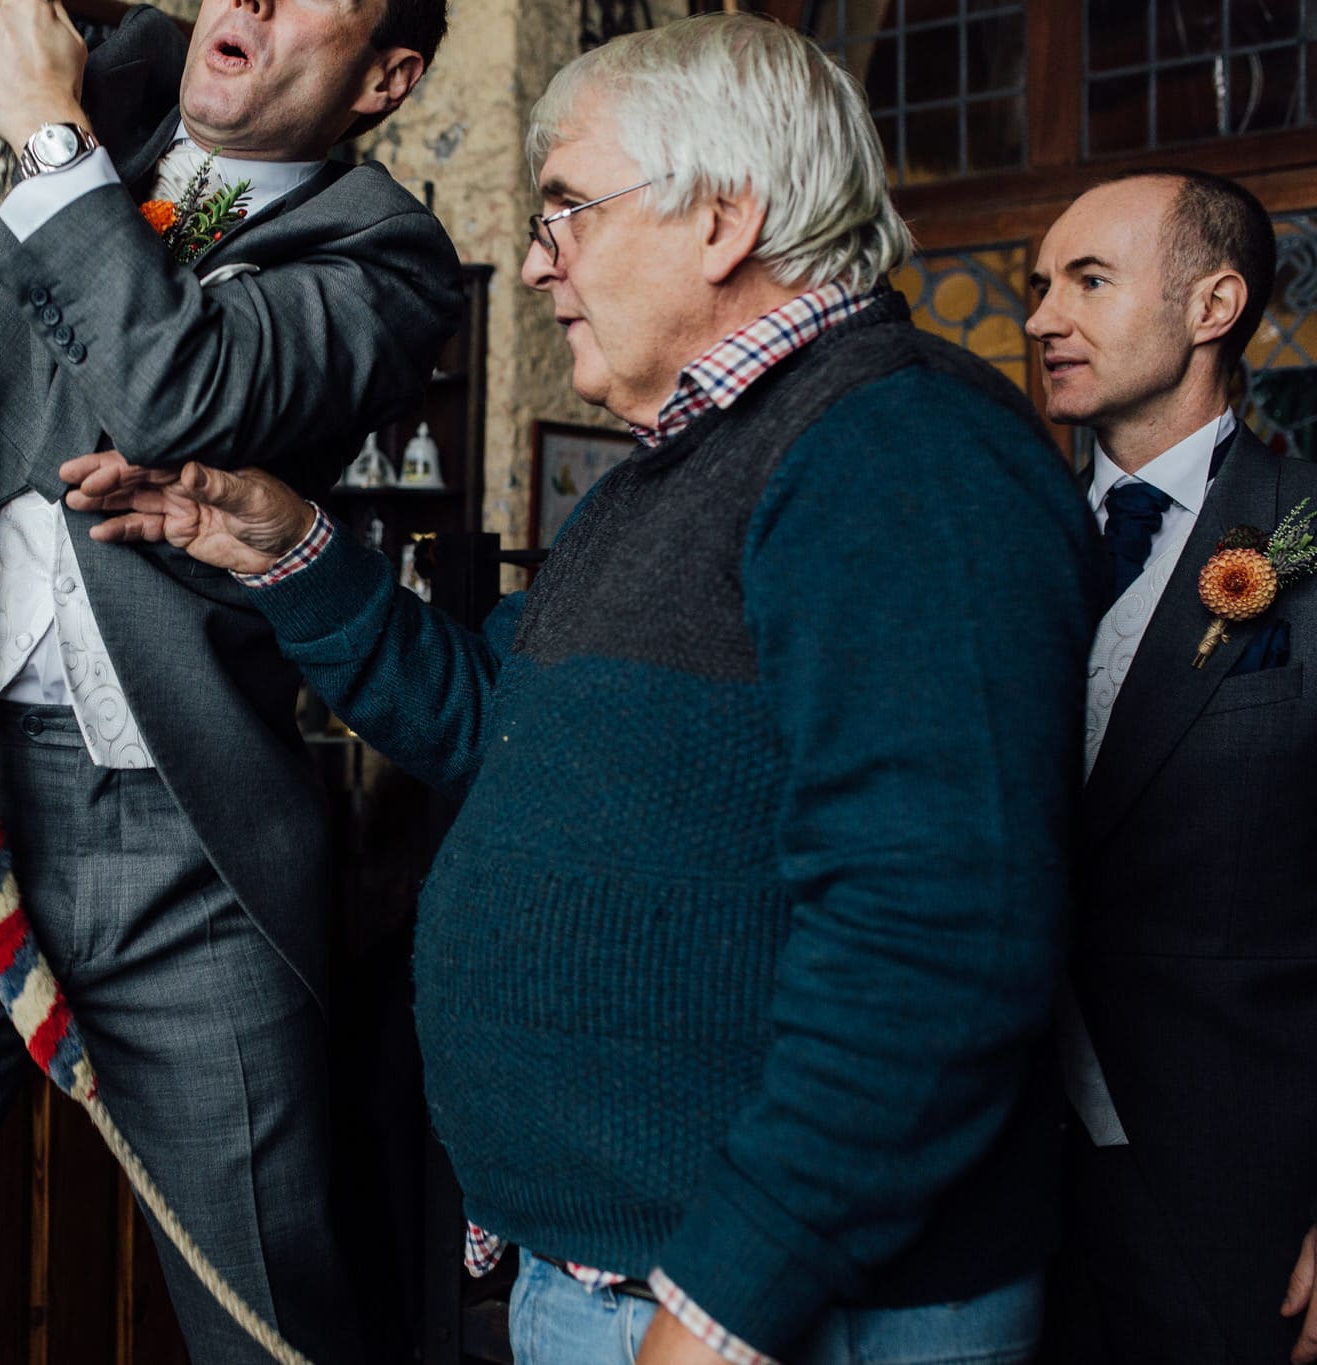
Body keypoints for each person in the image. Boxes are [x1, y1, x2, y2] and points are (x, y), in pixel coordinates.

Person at [70, 15, 1095, 1364]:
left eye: (567, 208)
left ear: (722, 218)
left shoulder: (903, 454)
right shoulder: (664, 480)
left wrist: (728, 1299)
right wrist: (290, 553)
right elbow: (490, 729)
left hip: (778, 1311)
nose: (541, 261)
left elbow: (940, 939)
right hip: (622, 1285)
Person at [0, 0, 463, 1360]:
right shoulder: (124, 78)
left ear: (385, 80)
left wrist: (53, 143)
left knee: (269, 1316)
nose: (250, 3)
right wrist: (56, 104)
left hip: (187, 844)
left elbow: (191, 390)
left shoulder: (388, 256)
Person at [1024, 169, 1317, 1365]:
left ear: (1212, 304)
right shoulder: (999, 537)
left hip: (1235, 1197)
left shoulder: (1302, 534)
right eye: (1036, 285)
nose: (1042, 316)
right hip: (1001, 1194)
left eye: (1086, 280)